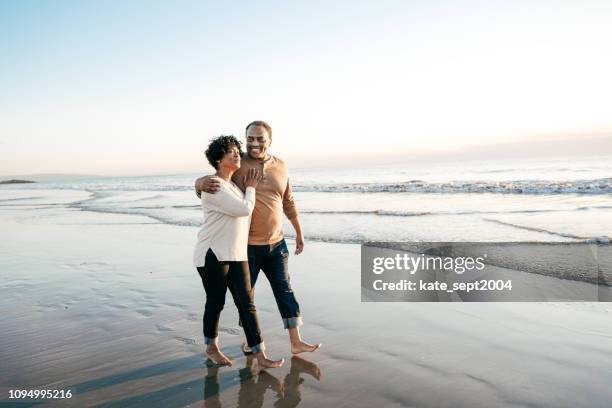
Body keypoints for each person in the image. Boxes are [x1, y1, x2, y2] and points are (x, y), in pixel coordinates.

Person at [195, 121, 320, 355]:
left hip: (276, 243)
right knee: (246, 300)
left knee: (285, 291)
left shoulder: (281, 166)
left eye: (260, 138)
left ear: (269, 140)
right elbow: (217, 177)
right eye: (250, 138)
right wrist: (199, 183)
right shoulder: (238, 162)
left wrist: (299, 233)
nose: (254, 143)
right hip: (246, 247)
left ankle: (296, 341)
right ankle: (249, 341)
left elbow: (288, 201)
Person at [194, 135, 283, 368]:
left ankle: (260, 353)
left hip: (236, 253)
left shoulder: (233, 185)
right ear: (218, 159)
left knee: (247, 303)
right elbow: (244, 210)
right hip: (212, 253)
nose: (236, 153)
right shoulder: (213, 185)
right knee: (216, 302)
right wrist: (252, 188)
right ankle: (211, 347)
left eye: (236, 150)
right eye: (230, 151)